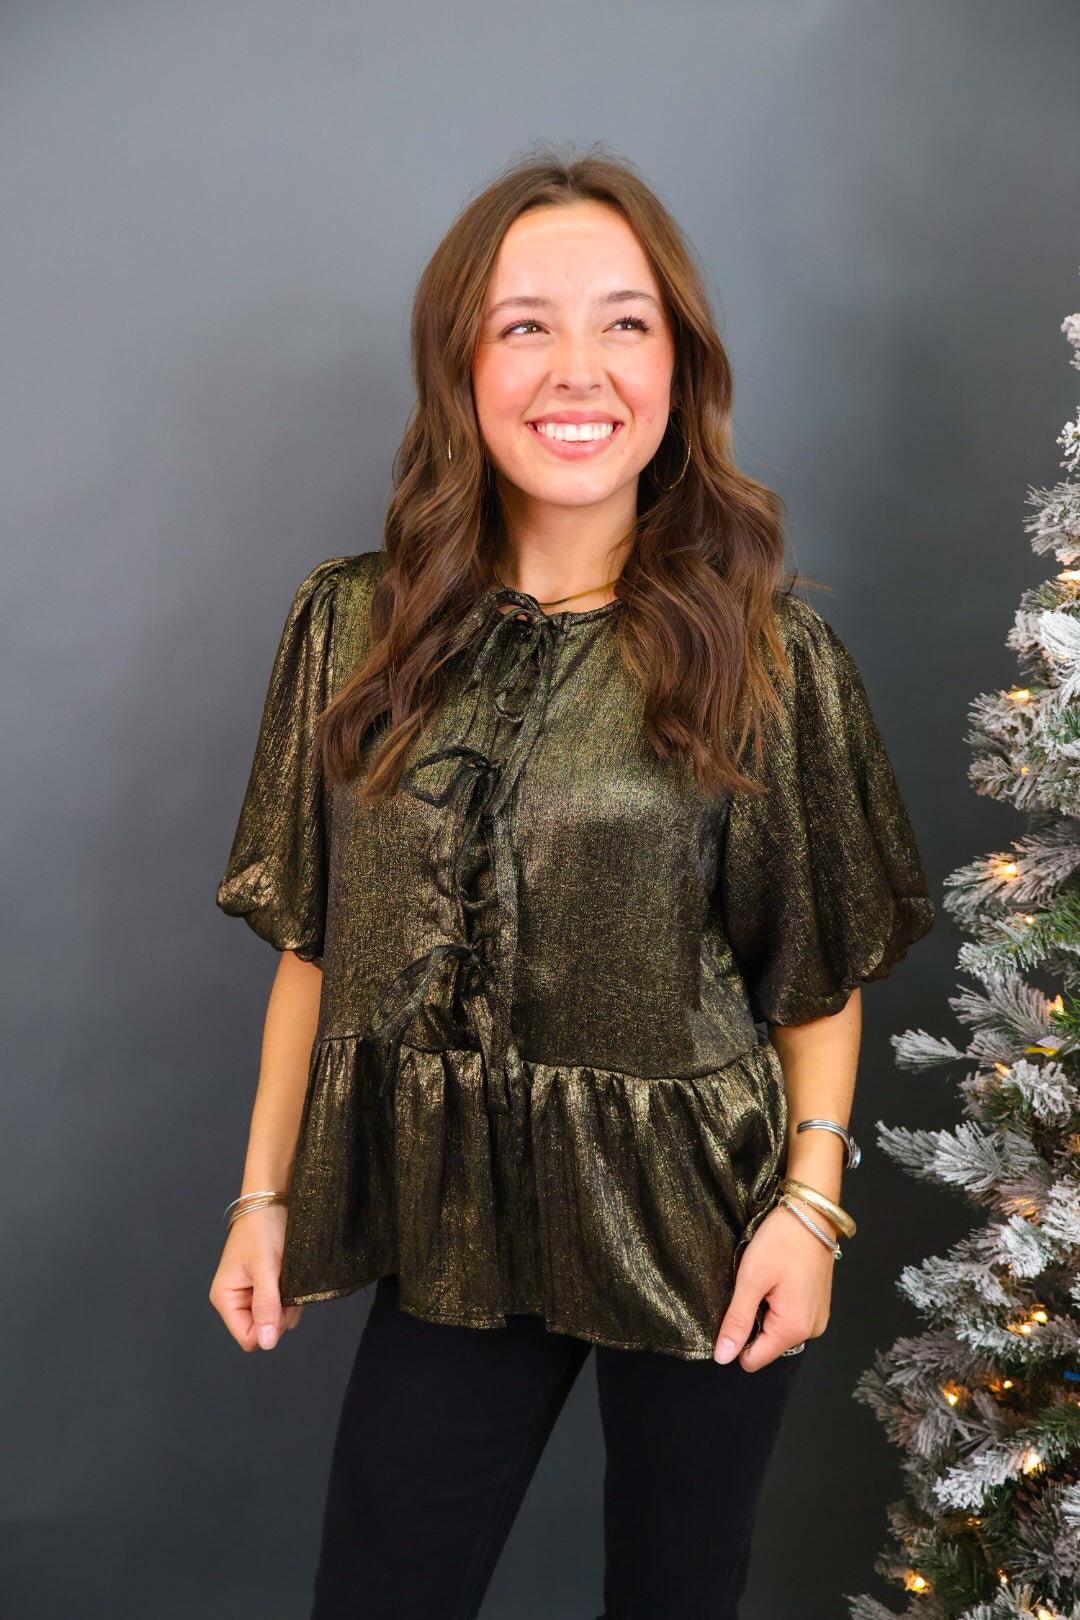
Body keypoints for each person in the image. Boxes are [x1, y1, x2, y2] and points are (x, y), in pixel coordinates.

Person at [208, 144, 935, 1620]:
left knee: (676, 1595)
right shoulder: (350, 625)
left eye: (625, 322)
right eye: (525, 325)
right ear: (461, 367)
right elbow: (315, 944)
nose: (576, 371)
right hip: (454, 1220)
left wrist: (809, 1212)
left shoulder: (769, 655)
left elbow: (811, 978)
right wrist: (262, 1193)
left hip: (710, 1221)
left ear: (677, 366)